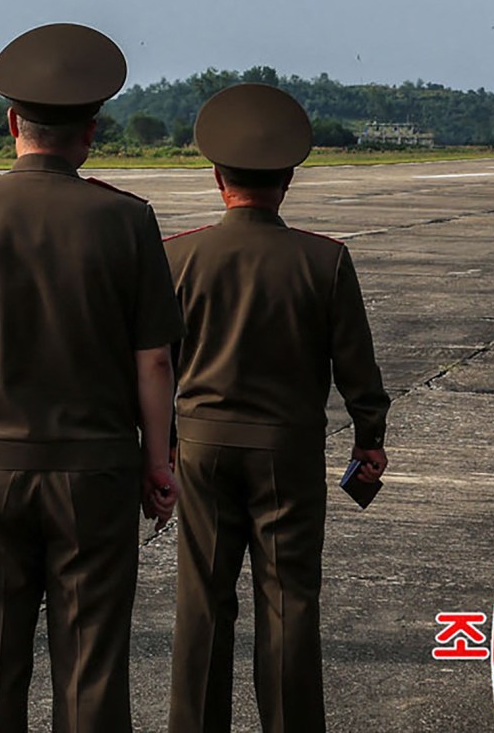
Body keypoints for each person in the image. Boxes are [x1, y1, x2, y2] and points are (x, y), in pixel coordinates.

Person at [0, 23, 182, 733]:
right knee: (91, 670)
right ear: (91, 132)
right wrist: (158, 461)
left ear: (11, 124)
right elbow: (152, 359)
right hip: (95, 473)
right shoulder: (126, 218)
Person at [165, 82, 391, 733]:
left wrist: (158, 446)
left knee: (203, 604)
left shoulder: (179, 256)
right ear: (288, 180)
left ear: (217, 177)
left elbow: (155, 363)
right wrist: (369, 437)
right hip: (287, 451)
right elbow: (356, 365)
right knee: (289, 601)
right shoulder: (324, 260)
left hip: (200, 449)